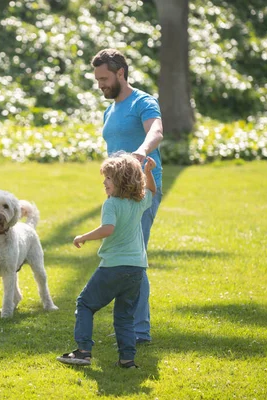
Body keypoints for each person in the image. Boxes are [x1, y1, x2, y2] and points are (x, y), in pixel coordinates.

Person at [91, 48, 164, 344]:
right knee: (123, 257)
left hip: (141, 191)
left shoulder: (143, 101)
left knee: (132, 258)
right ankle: (129, 325)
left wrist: (142, 151)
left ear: (121, 73)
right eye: (97, 79)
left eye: (105, 78)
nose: (101, 85)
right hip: (117, 193)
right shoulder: (110, 109)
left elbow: (156, 131)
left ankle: (139, 330)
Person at [57, 153, 157, 368]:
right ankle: (127, 359)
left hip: (113, 267)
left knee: (84, 304)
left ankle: (83, 352)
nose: (104, 182)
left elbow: (108, 229)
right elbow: (152, 191)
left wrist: (83, 237)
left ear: (121, 180)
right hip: (137, 269)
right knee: (124, 316)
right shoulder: (138, 202)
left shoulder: (111, 204)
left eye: (108, 178)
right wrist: (147, 173)